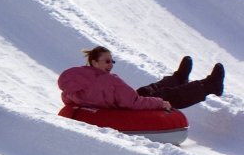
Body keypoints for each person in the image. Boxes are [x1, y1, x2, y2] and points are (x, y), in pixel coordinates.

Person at [58, 46, 225, 111]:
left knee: (146, 90)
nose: (111, 65)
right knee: (165, 96)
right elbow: (133, 103)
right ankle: (211, 85)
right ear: (94, 62)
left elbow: (69, 100)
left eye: (112, 61)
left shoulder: (75, 82)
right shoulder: (109, 80)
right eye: (107, 61)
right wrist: (160, 103)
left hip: (118, 104)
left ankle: (178, 78)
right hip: (127, 109)